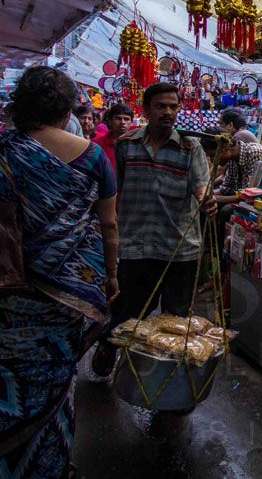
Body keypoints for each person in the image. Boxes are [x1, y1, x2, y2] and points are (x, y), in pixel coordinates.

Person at [0, 67, 119, 477]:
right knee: (49, 389)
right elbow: (108, 225)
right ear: (67, 108)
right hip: (57, 305)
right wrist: (111, 276)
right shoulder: (91, 156)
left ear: (18, 105)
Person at [91, 82, 216, 379]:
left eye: (173, 107)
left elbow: (201, 188)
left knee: (176, 319)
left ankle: (170, 383)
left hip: (179, 248)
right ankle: (109, 347)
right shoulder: (127, 145)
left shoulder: (190, 147)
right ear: (146, 110)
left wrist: (207, 200)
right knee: (128, 312)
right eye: (161, 106)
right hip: (136, 245)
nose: (168, 112)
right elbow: (117, 190)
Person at [92, 103, 134, 171]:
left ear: (131, 122)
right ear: (110, 121)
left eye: (126, 119)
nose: (122, 122)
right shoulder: (97, 144)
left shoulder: (137, 144)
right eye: (118, 118)